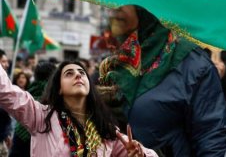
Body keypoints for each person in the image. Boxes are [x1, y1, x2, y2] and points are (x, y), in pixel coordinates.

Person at [99, 5, 226, 157]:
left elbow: (212, 140)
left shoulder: (193, 66)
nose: (115, 6)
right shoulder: (113, 64)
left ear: (148, 8)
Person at [0, 60, 158, 157]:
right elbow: (6, 91)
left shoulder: (106, 130)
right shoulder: (41, 117)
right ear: (59, 88)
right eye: (69, 73)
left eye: (82, 73)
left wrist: (139, 154)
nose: (78, 75)